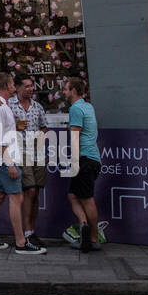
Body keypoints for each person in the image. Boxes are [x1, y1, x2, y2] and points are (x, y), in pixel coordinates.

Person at [0, 73, 44, 253]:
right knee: (17, 198)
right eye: (12, 84)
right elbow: (0, 139)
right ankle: (21, 243)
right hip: (4, 159)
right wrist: (9, 164)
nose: (14, 87)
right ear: (8, 85)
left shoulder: (1, 105)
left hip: (1, 158)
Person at [9, 73, 49, 247]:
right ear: (17, 87)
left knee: (36, 192)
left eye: (31, 86)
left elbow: (44, 126)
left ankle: (31, 230)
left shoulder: (37, 106)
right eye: (26, 86)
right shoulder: (9, 105)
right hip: (20, 152)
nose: (30, 89)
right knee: (30, 190)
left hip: (37, 152)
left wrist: (40, 138)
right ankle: (25, 231)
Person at [65, 78, 100, 253]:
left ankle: (93, 238)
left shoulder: (76, 108)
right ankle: (84, 225)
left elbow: (75, 137)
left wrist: (74, 161)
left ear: (73, 91)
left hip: (84, 159)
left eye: (66, 89)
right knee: (73, 195)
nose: (64, 92)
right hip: (93, 158)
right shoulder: (88, 106)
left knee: (86, 198)